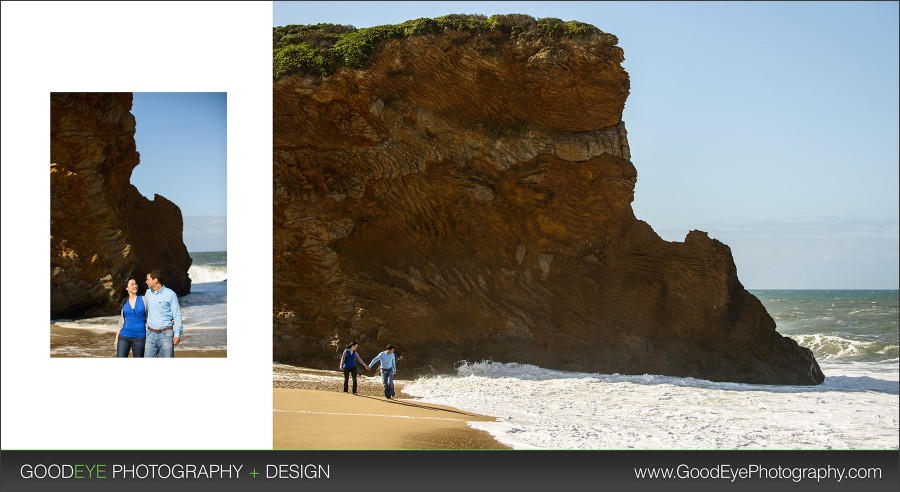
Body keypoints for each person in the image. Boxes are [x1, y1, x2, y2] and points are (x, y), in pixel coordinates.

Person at [144, 269, 183, 358]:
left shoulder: (170, 294)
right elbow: (145, 311)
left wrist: (177, 334)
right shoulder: (148, 293)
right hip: (150, 334)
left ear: (155, 280)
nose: (146, 282)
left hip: (166, 334)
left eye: (148, 279)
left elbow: (177, 315)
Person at [114, 278, 147, 358]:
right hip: (124, 337)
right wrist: (116, 339)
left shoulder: (144, 299)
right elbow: (121, 322)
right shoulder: (124, 302)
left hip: (140, 337)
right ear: (126, 288)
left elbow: (151, 316)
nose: (135, 286)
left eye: (135, 284)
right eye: (132, 284)